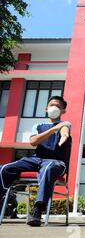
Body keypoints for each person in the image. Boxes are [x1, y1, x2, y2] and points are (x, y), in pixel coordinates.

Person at [0, 96, 71, 227]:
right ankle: (4, 200)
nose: (54, 108)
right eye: (51, 105)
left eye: (58, 106)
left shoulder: (64, 124)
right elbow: (33, 142)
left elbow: (65, 131)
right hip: (36, 159)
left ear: (63, 111)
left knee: (48, 168)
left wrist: (63, 135)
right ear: (46, 109)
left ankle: (38, 208)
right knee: (4, 168)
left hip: (56, 162)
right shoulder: (38, 125)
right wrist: (51, 130)